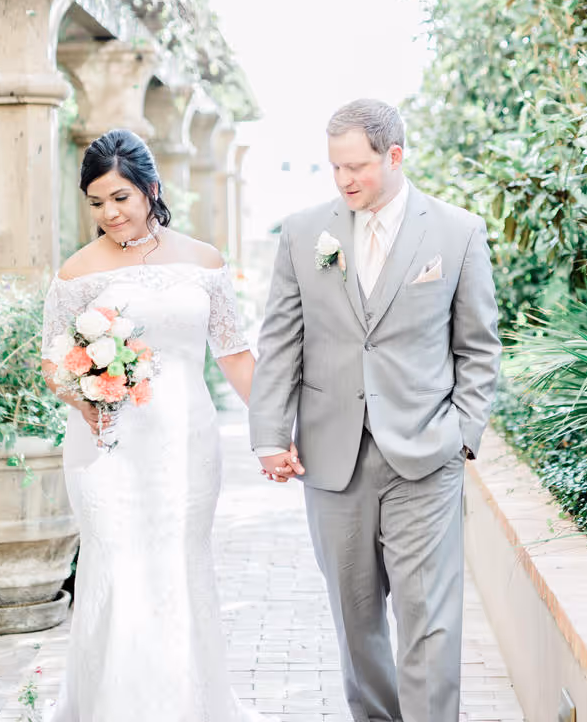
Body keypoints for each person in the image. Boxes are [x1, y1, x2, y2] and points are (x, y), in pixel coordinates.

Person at [249, 98, 502, 722]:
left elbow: (478, 348)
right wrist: (268, 435)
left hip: (425, 457)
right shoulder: (306, 234)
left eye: (356, 166)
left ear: (394, 155)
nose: (344, 180)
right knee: (356, 622)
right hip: (333, 461)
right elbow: (281, 340)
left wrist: (461, 436)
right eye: (335, 167)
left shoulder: (456, 232)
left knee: (430, 624)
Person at [40, 129, 264, 722]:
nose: (109, 213)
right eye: (96, 202)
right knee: (116, 568)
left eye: (120, 197)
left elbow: (236, 355)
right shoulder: (77, 272)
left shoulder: (203, 261)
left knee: (177, 569)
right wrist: (79, 393)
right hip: (106, 445)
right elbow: (52, 362)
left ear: (150, 189)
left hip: (185, 444)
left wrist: (274, 429)